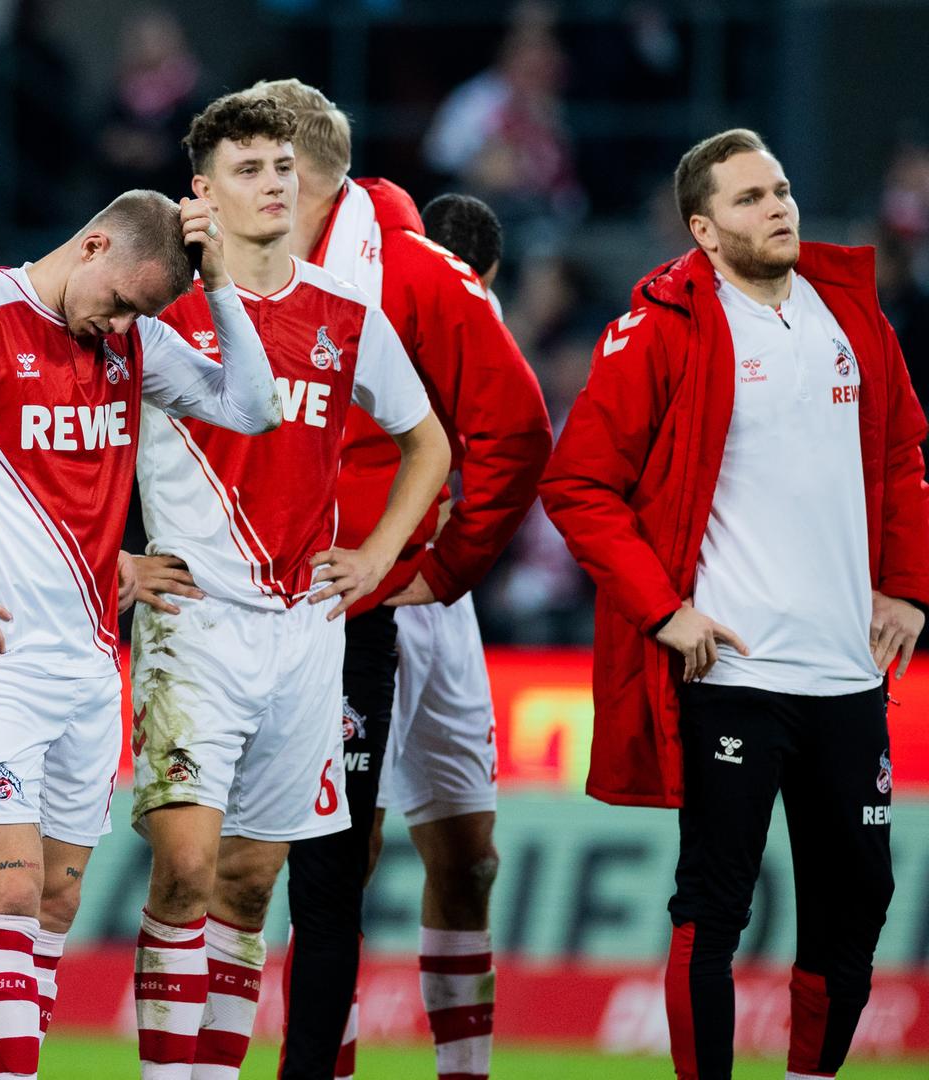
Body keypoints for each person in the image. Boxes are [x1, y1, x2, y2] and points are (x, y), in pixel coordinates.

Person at [0, 190, 280, 1080]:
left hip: (88, 667)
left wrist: (220, 285)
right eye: (119, 298)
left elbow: (254, 408)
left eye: (141, 312)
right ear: (94, 243)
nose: (121, 321)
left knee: (57, 896)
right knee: (3, 888)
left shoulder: (132, 341)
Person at [541, 128, 929, 1080]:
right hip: (736, 671)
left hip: (848, 672)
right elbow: (578, 484)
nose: (781, 207)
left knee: (862, 900)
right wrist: (664, 611)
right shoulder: (663, 325)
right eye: (753, 198)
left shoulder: (852, 315)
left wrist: (909, 587)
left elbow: (902, 456)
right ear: (704, 230)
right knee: (713, 909)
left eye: (784, 189)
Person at [120, 93, 448, 1080]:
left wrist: (382, 552)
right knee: (183, 870)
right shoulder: (158, 313)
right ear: (202, 195)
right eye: (247, 170)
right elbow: (79, 448)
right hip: (194, 624)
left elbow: (427, 442)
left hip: (305, 637)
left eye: (280, 168)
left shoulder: (345, 316)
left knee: (253, 884)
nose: (272, 185)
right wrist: (118, 562)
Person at [256, 79, 552, 1080]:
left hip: (422, 591)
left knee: (467, 859)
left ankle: (461, 1074)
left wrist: (450, 563)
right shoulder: (255, 259)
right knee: (338, 856)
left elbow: (511, 431)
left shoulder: (410, 271)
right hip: (337, 598)